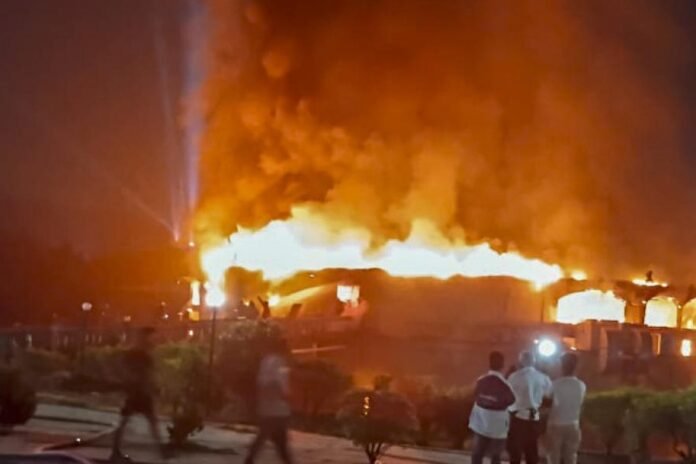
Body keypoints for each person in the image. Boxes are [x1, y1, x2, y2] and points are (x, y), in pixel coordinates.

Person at [111, 327, 167, 463]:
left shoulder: (144, 354)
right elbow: (130, 371)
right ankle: (115, 451)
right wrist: (133, 381)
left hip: (141, 393)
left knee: (145, 421)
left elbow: (147, 374)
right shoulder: (136, 354)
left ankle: (116, 451)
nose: (152, 341)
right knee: (129, 421)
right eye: (150, 337)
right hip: (137, 393)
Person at [244, 337, 294, 464]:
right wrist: (288, 396)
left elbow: (260, 381)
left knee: (270, 436)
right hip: (278, 407)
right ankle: (249, 459)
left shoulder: (265, 361)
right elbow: (282, 381)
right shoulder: (281, 362)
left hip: (266, 405)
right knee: (276, 439)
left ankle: (250, 459)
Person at [469, 351, 517, 464]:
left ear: (489, 363)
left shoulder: (480, 381)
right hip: (498, 426)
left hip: (480, 423)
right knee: (496, 455)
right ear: (502, 365)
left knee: (477, 453)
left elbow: (474, 395)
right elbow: (512, 400)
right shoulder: (505, 384)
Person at [507, 351, 552, 464]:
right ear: (534, 361)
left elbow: (508, 394)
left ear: (521, 361)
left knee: (515, 453)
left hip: (518, 417)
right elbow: (548, 395)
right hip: (534, 417)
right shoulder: (543, 378)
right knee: (532, 450)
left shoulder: (514, 376)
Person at [547, 352, 586, 464]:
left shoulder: (555, 384)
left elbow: (547, 400)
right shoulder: (581, 385)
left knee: (553, 456)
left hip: (555, 424)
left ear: (562, 366)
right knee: (571, 457)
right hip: (573, 424)